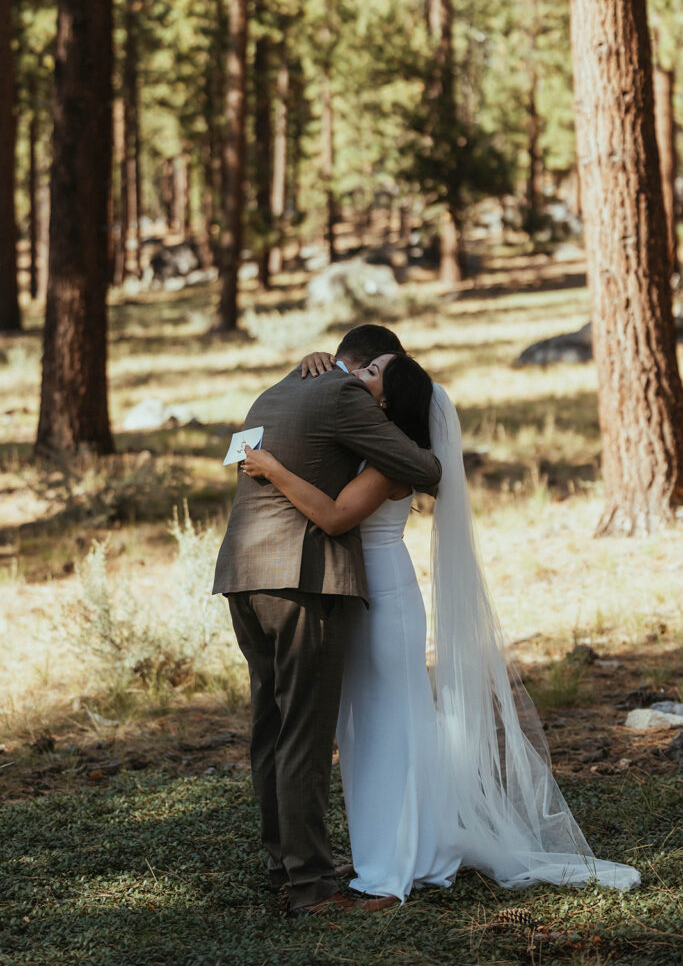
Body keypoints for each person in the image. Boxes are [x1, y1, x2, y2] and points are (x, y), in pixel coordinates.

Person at [242, 351, 641, 903]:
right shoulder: (365, 441)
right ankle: (386, 848)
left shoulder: (392, 463)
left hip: (384, 600)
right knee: (364, 730)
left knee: (390, 726)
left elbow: (335, 516)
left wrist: (274, 469)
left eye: (371, 371)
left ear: (388, 399)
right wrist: (320, 362)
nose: (357, 373)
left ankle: (397, 861)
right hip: (351, 595)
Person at [212, 325, 442, 917]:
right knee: (306, 734)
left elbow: (246, 459)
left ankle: (283, 865)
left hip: (243, 572)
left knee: (270, 723)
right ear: (357, 369)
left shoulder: (278, 388)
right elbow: (425, 467)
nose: (364, 383)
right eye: (370, 371)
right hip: (299, 580)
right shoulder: (341, 396)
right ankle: (312, 887)